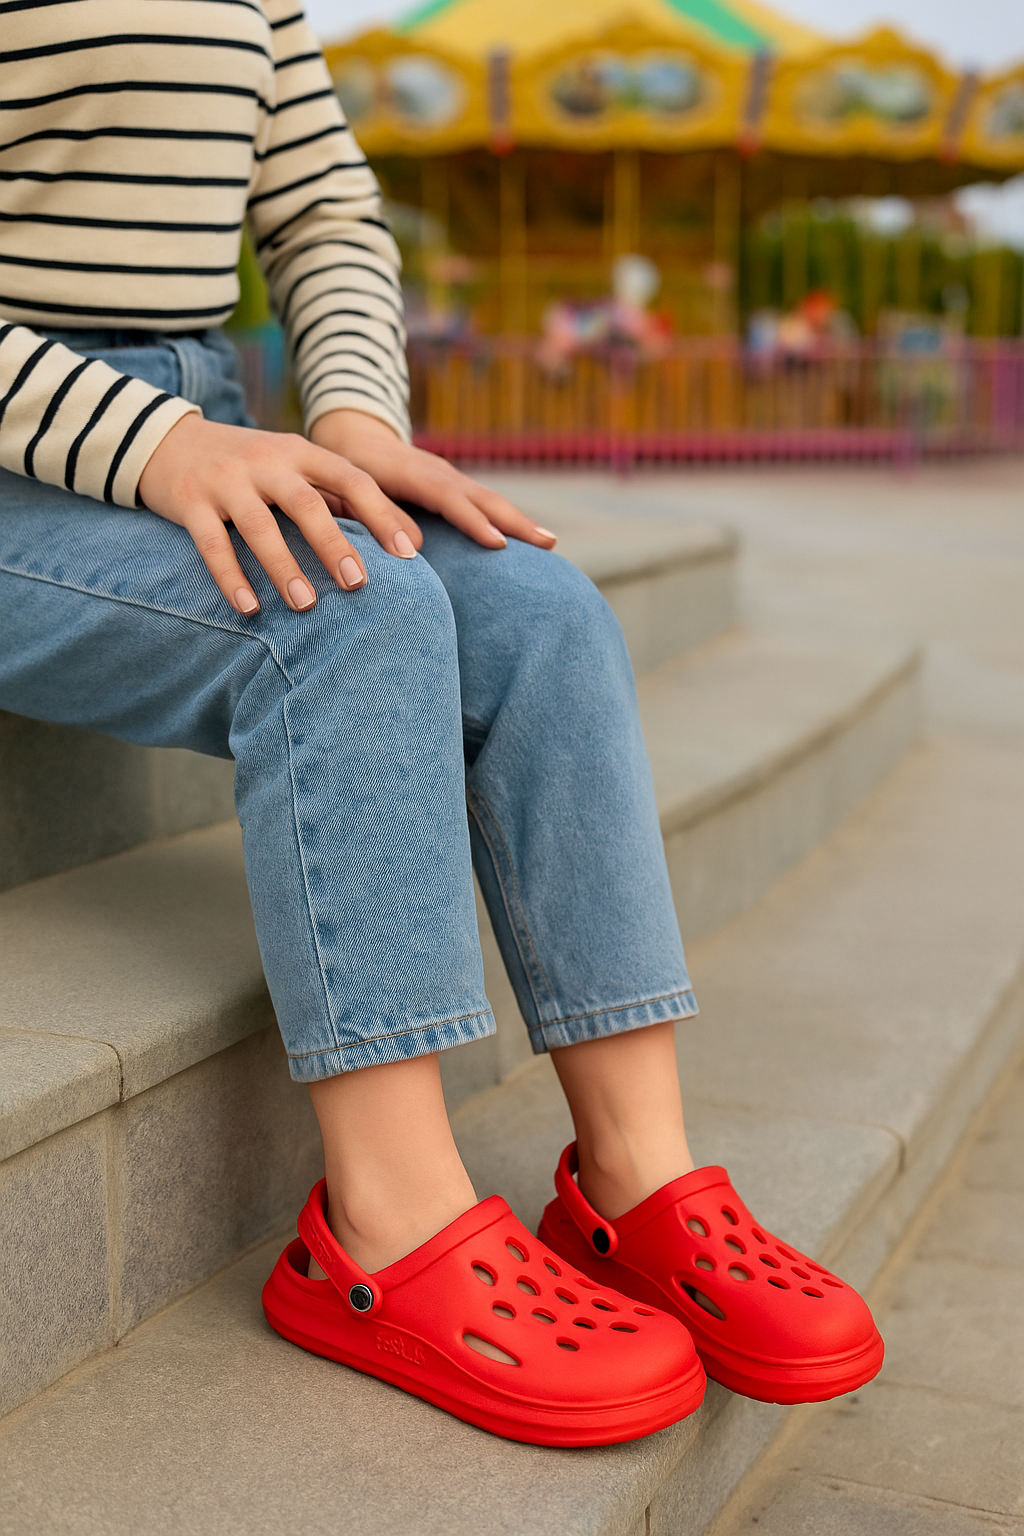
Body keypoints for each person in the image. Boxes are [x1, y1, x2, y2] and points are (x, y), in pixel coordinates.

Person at [0, 1, 883, 1447]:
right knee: (342, 615)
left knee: (537, 608)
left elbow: (328, 210)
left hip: (209, 421)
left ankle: (632, 1186)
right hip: (34, 467)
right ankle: (384, 1225)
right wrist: (154, 442)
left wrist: (353, 418)